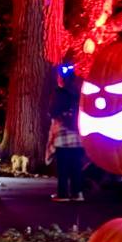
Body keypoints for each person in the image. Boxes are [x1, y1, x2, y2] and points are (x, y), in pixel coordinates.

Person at [46, 66, 85, 200]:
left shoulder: (59, 92)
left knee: (62, 166)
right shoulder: (80, 92)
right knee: (76, 165)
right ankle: (77, 192)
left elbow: (53, 111)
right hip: (77, 134)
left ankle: (63, 193)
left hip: (63, 134)